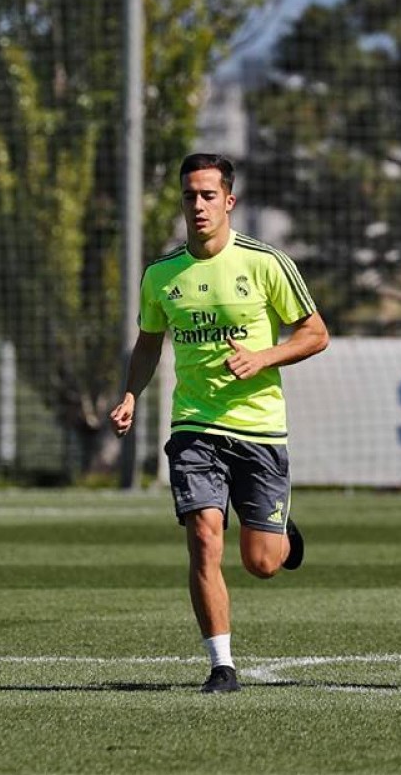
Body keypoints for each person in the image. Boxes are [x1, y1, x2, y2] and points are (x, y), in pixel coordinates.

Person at [110, 153, 329, 693]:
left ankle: (281, 535)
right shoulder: (162, 275)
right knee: (205, 538)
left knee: (262, 563)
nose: (199, 205)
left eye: (209, 195)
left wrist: (262, 357)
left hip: (259, 428)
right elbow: (148, 342)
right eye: (190, 196)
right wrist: (131, 394)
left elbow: (315, 334)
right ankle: (222, 666)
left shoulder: (266, 263)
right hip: (194, 425)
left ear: (229, 200)